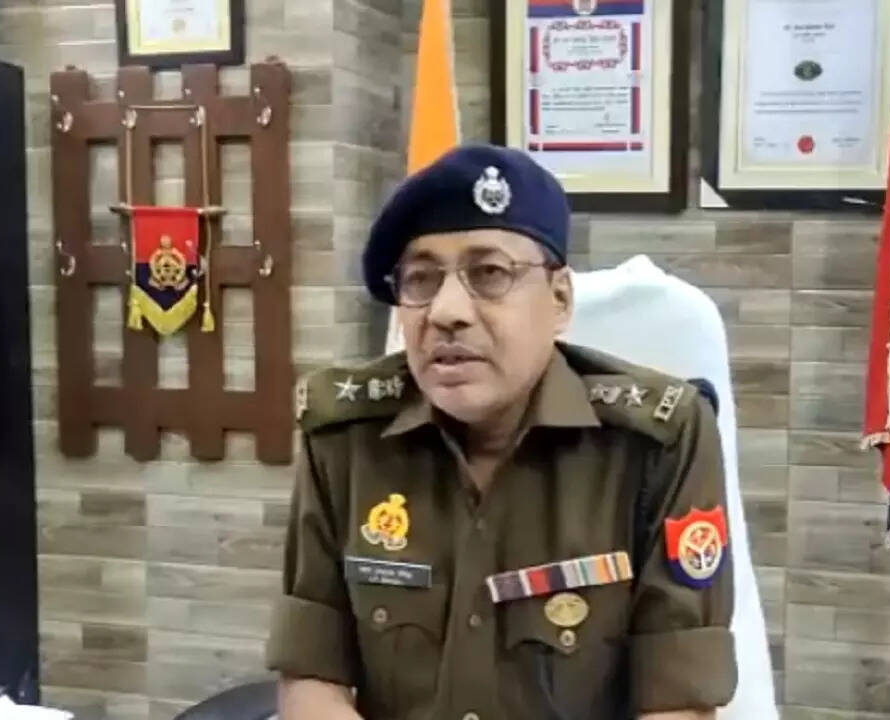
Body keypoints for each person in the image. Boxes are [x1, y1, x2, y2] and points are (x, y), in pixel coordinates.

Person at [265, 144, 737, 720]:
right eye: (420, 279)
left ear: (559, 301)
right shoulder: (344, 437)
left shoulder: (658, 441)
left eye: (489, 274)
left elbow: (680, 701)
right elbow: (311, 674)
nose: (446, 311)